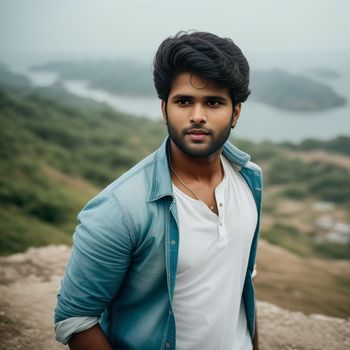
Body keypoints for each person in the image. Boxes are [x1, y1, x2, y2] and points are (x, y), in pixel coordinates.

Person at [54, 31, 263, 350]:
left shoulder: (249, 179)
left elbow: (239, 283)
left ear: (235, 112)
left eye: (213, 102)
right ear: (164, 108)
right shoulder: (120, 208)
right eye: (183, 101)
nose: (197, 116)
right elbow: (76, 319)